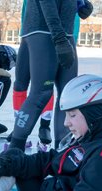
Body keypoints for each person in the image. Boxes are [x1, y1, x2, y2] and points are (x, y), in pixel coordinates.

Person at [11, 0, 93, 148]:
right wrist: (59, 38)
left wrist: (81, 3)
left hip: (63, 33)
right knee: (41, 93)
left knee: (68, 96)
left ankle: (62, 148)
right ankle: (14, 150)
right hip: (46, 32)